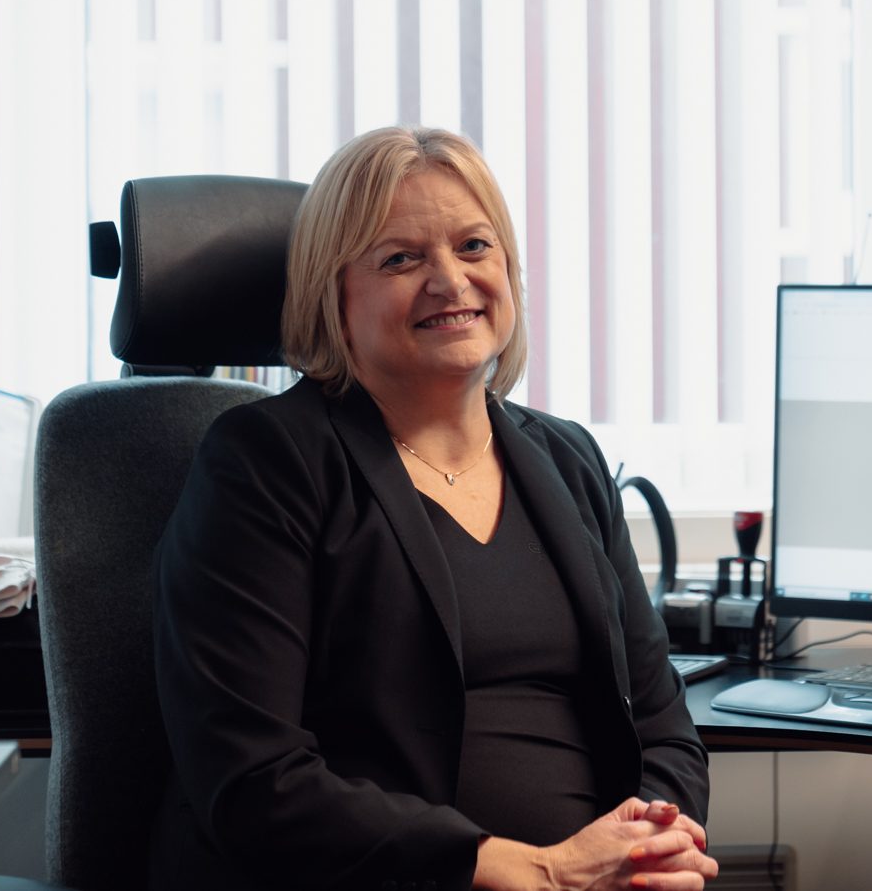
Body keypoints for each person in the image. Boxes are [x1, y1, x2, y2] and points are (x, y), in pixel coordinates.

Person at [149, 126, 716, 891]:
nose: (451, 281)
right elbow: (253, 778)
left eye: (475, 246)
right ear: (334, 293)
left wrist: (645, 850)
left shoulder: (567, 459)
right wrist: (533, 871)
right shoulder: (266, 463)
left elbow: (658, 721)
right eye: (401, 258)